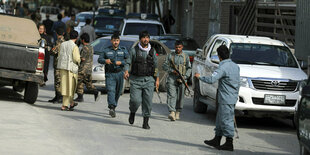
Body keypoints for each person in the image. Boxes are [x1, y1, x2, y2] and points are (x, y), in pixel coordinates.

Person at [194, 45, 240, 151]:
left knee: (226, 120)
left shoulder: (223, 67)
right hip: (230, 97)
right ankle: (217, 139)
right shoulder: (235, 66)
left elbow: (211, 79)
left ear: (219, 57)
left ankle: (229, 143)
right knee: (220, 119)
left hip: (226, 98)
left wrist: (200, 77)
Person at [124, 31, 159, 129]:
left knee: (148, 102)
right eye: (144, 38)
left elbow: (156, 67)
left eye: (147, 37)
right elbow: (128, 62)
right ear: (140, 39)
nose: (146, 39)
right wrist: (126, 71)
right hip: (136, 80)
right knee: (135, 101)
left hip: (149, 80)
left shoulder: (152, 51)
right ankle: (132, 112)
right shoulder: (134, 50)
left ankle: (145, 122)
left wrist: (157, 79)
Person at [98, 33, 128, 118]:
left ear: (119, 41)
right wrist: (105, 61)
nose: (116, 42)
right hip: (110, 74)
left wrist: (121, 63)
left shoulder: (123, 50)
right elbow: (100, 59)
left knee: (118, 92)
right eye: (114, 40)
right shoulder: (106, 50)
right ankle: (111, 107)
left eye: (117, 40)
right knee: (111, 90)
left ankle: (114, 106)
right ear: (111, 41)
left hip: (119, 73)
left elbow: (128, 60)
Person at [162, 40, 191, 121]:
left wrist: (185, 77)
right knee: (171, 95)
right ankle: (172, 112)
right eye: (176, 47)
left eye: (179, 47)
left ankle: (178, 111)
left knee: (180, 96)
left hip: (182, 79)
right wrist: (172, 71)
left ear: (182, 47)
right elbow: (164, 66)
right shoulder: (170, 56)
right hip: (172, 78)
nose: (178, 49)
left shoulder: (186, 56)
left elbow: (189, 68)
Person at [57, 30, 81, 111]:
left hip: (63, 67)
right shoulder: (74, 46)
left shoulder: (63, 44)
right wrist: (80, 61)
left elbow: (59, 54)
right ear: (77, 38)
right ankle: (65, 105)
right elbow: (76, 58)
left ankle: (71, 103)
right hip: (71, 69)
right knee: (70, 87)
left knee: (64, 86)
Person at [74, 33, 100, 102]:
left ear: (82, 40)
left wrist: (77, 57)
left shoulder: (84, 48)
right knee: (87, 83)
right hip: (88, 69)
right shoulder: (91, 47)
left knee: (78, 82)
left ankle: (81, 96)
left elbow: (83, 59)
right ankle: (93, 92)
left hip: (83, 69)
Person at [48, 28, 65, 103]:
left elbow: (54, 52)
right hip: (60, 64)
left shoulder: (59, 42)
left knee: (58, 81)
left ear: (57, 34)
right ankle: (57, 96)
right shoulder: (64, 41)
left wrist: (49, 49)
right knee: (58, 81)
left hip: (58, 64)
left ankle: (59, 97)